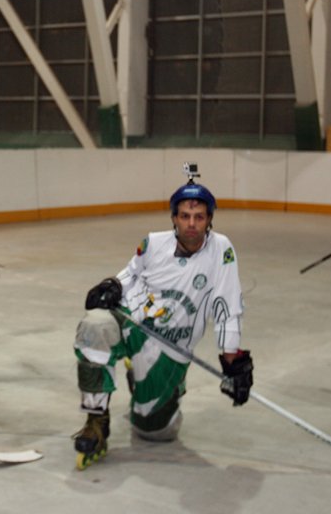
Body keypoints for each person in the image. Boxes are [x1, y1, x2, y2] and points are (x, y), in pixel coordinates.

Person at [72, 171, 253, 470]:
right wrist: (112, 286)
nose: (191, 224)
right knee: (94, 325)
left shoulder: (221, 249)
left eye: (199, 217)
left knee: (154, 431)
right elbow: (129, 275)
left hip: (172, 346)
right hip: (133, 323)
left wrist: (231, 359)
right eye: (184, 216)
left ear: (210, 219)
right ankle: (96, 419)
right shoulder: (153, 243)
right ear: (174, 218)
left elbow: (227, 305)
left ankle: (145, 380)